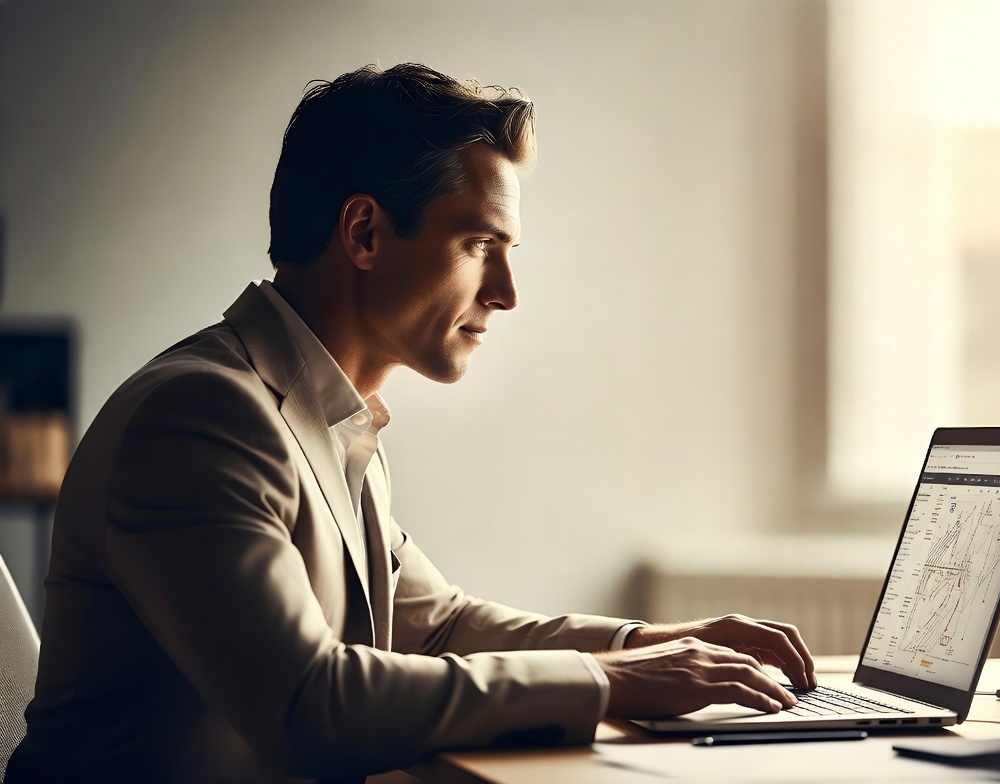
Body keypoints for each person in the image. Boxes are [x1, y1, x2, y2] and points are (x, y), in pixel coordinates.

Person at [6, 63, 816, 784]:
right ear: (363, 233)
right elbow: (308, 704)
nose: (506, 292)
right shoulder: (201, 416)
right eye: (478, 244)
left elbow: (437, 628)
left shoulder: (325, 418)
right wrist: (616, 683)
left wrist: (648, 643)